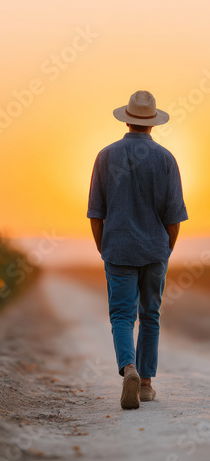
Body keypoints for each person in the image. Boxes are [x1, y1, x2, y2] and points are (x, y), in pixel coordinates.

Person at [87, 90, 188, 410]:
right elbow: (174, 219)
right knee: (150, 315)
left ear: (128, 119)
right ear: (152, 123)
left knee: (121, 315)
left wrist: (105, 248)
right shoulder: (166, 159)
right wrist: (165, 251)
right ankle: (145, 385)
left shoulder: (105, 156)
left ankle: (128, 368)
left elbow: (95, 214)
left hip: (117, 248)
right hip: (155, 249)